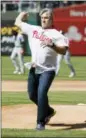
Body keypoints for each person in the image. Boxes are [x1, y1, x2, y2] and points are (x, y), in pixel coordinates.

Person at [15, 8, 69, 130]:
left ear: (52, 19)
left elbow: (64, 50)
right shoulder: (34, 29)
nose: (44, 19)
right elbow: (17, 23)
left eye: (47, 17)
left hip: (48, 70)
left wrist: (53, 46)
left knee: (41, 93)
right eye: (42, 17)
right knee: (31, 95)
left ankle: (40, 122)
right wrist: (21, 15)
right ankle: (49, 111)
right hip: (34, 68)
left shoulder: (57, 34)